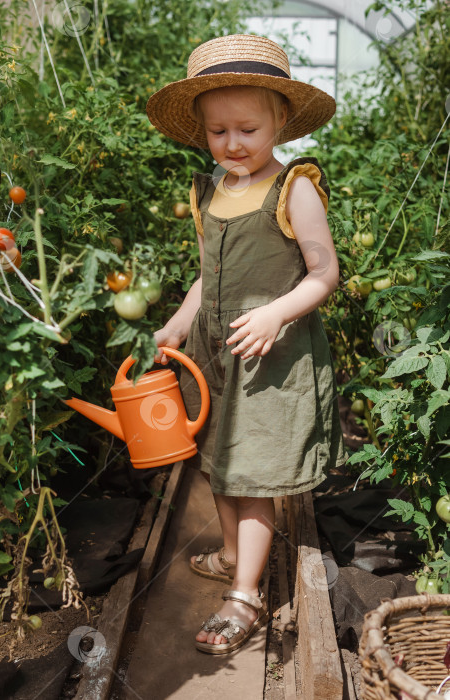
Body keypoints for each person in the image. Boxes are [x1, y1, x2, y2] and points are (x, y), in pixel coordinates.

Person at [146, 33, 348, 655]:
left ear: (281, 122)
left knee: (255, 474)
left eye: (248, 130)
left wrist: (274, 316)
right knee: (220, 464)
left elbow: (324, 274)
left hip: (272, 357)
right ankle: (235, 552)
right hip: (215, 350)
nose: (233, 145)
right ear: (203, 132)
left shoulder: (295, 189)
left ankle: (246, 595)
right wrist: (181, 322)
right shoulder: (210, 190)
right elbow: (210, 275)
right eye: (218, 132)